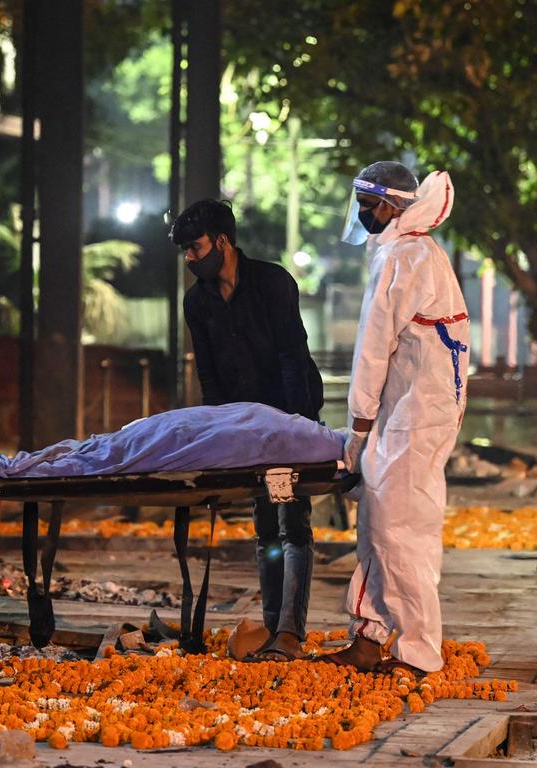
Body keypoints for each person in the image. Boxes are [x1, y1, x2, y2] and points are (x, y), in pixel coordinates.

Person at [321, 162, 467, 676]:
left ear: (390, 204)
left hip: (412, 417)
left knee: (397, 533)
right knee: (380, 526)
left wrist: (358, 425)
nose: (362, 214)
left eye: (368, 204)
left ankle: (419, 652)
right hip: (408, 412)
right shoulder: (410, 251)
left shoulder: (406, 257)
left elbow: (373, 349)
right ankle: (370, 634)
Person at [170, 199, 324, 662]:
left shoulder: (273, 282)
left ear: (222, 241)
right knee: (265, 530)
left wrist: (296, 431)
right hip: (243, 429)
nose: (190, 259)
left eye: (195, 248)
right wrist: (220, 435)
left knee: (293, 524)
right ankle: (274, 626)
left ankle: (290, 633)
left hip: (289, 418)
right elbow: (212, 378)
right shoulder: (197, 302)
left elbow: (292, 357)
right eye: (185, 252)